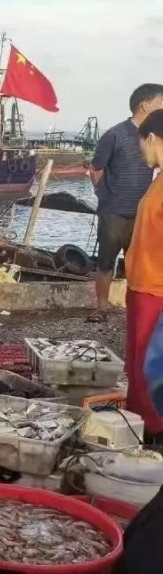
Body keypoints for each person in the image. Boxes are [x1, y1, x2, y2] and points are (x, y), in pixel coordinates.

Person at [89, 83, 163, 318]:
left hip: (146, 214)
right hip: (114, 213)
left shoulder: (158, 136)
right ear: (145, 104)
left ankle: (136, 308)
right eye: (160, 103)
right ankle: (101, 307)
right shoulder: (115, 134)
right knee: (106, 261)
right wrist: (105, 196)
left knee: (141, 264)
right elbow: (96, 169)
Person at [122, 110, 163, 438]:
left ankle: (154, 432)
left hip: (157, 289)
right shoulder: (158, 178)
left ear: (152, 138)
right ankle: (138, 424)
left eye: (141, 147)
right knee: (136, 363)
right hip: (141, 285)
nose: (141, 154)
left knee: (152, 366)